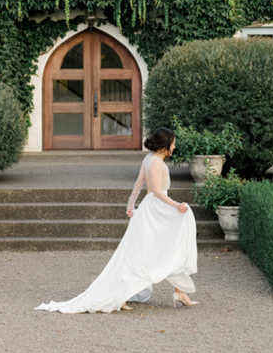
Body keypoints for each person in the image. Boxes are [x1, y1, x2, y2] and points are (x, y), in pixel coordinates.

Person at [35, 127, 199, 313]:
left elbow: (138, 184)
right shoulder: (155, 163)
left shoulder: (149, 159)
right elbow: (156, 191)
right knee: (155, 250)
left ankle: (180, 290)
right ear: (165, 146)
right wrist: (176, 206)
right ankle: (125, 293)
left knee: (168, 246)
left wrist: (130, 205)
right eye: (173, 143)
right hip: (156, 211)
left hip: (155, 209)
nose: (175, 147)